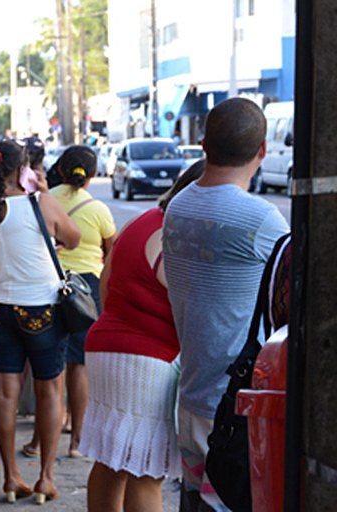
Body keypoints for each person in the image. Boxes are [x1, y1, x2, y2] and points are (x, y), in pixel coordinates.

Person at [162, 97, 290, 511]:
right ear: (263, 151)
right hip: (236, 407)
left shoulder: (177, 207)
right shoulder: (261, 219)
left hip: (192, 394)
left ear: (203, 145)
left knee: (195, 499)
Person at [80, 161, 204, 512]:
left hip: (106, 345)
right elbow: (190, 312)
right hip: (146, 359)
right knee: (146, 470)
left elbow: (106, 280)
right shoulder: (176, 234)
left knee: (111, 460)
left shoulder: (143, 220)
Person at [0, 140, 80, 504]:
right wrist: (45, 193)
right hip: (40, 309)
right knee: (50, 390)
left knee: (4, 392)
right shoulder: (40, 203)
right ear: (24, 170)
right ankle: (46, 477)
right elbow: (73, 239)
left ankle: (12, 477)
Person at [51, 145, 116, 457]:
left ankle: (43, 439)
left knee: (51, 363)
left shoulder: (45, 200)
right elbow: (111, 251)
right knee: (79, 365)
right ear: (92, 174)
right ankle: (77, 440)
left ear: (61, 170)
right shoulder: (98, 209)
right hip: (86, 289)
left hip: (51, 282)